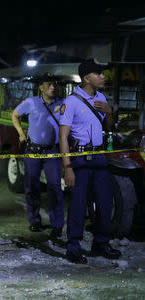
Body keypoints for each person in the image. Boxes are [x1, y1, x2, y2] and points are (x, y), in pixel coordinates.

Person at [59, 58, 121, 264]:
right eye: (99, 74)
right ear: (86, 78)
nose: (104, 77)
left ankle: (101, 242)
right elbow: (63, 136)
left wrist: (109, 112)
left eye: (103, 73)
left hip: (100, 158)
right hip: (80, 159)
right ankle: (73, 247)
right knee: (77, 204)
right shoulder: (71, 102)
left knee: (104, 202)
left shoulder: (101, 97)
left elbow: (110, 128)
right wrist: (67, 167)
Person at [11, 73, 65, 239]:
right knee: (32, 187)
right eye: (48, 84)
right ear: (40, 87)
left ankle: (57, 225)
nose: (52, 87)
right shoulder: (31, 102)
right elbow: (15, 115)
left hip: (52, 151)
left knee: (55, 187)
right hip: (33, 151)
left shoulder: (62, 103)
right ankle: (34, 220)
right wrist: (20, 133)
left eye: (54, 84)